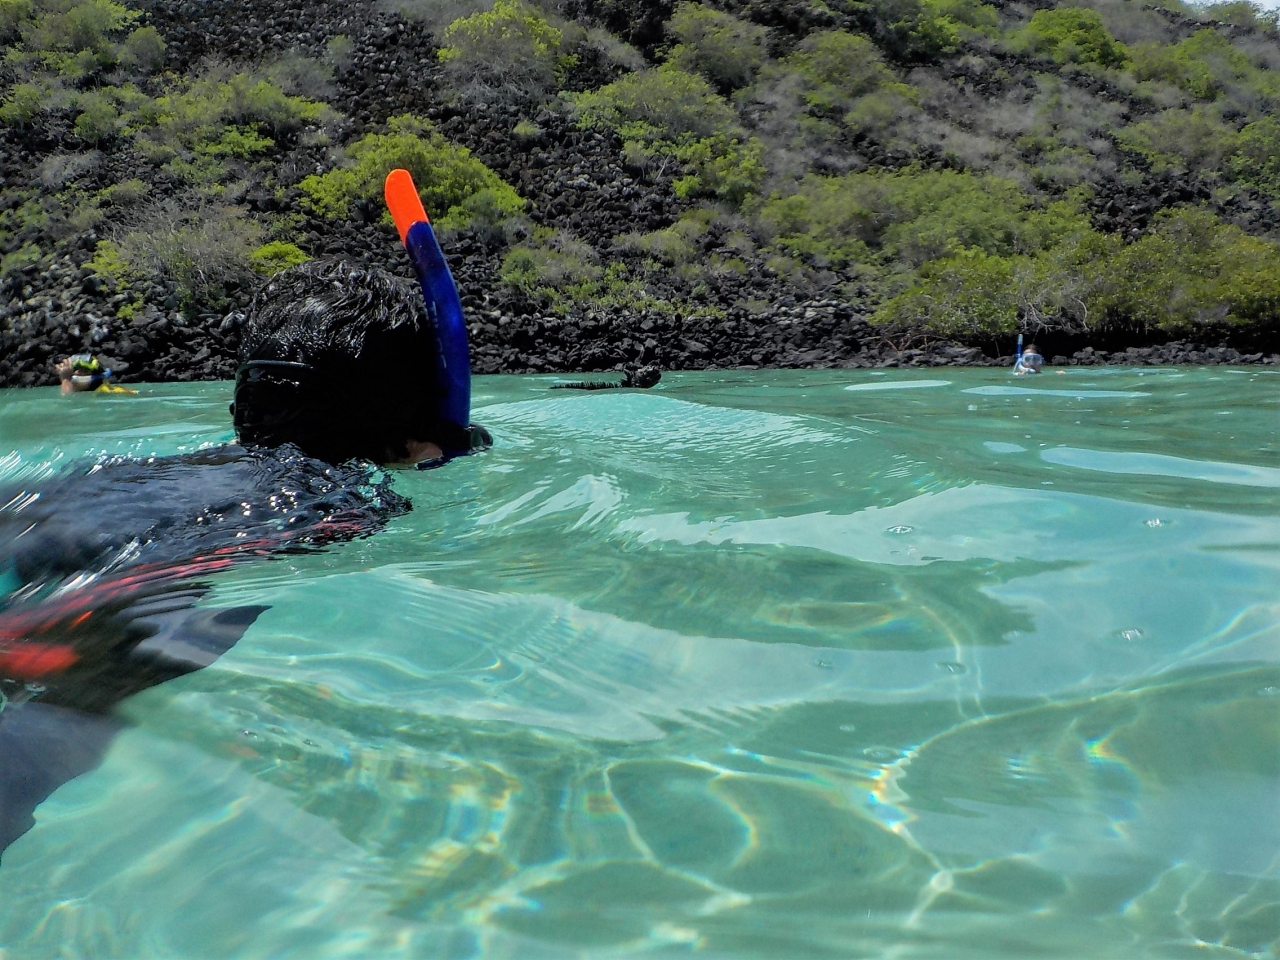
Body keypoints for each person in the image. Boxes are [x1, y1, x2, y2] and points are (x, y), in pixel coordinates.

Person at [0, 176, 490, 856]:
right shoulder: (340, 501)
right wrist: (433, 455)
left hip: (40, 519)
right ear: (407, 432)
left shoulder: (165, 467)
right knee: (71, 715)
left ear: (241, 404)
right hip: (116, 596)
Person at [54, 353, 137, 394]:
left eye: (77, 369)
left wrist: (65, 379)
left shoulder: (102, 392)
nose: (74, 373)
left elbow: (66, 400)